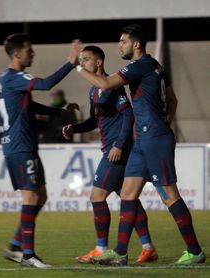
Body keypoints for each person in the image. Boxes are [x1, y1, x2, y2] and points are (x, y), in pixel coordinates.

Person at [75, 25, 206, 266]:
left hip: (154, 140)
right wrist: (166, 119)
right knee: (127, 193)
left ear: (136, 45)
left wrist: (77, 66)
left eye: (123, 41)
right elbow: (172, 98)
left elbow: (105, 84)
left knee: (169, 196)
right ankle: (121, 253)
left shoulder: (141, 64)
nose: (119, 45)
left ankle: (194, 251)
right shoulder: (155, 65)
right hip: (142, 140)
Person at [63, 45, 157, 264]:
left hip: (118, 151)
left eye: (86, 59)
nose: (83, 63)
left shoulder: (112, 87)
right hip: (114, 149)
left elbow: (128, 115)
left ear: (98, 62)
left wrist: (118, 145)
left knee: (96, 196)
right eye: (82, 60)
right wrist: (74, 128)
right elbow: (93, 121)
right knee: (128, 197)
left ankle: (101, 248)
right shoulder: (93, 90)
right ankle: (147, 247)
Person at [0, 33, 79, 268]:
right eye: (29, 49)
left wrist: (59, 112)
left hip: (25, 146)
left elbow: (28, 105)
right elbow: (45, 84)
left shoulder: (6, 79)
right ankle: (28, 254)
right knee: (31, 197)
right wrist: (70, 64)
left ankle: (15, 245)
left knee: (40, 196)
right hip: (19, 146)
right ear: (17, 54)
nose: (33, 53)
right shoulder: (16, 77)